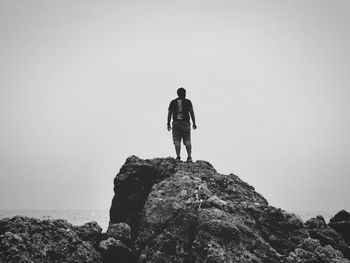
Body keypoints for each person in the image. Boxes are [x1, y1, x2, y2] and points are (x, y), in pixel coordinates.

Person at [167, 87, 197, 162]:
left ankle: (178, 157)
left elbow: (170, 113)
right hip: (185, 123)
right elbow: (191, 112)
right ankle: (189, 157)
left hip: (176, 123)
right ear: (184, 93)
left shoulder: (173, 102)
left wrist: (168, 123)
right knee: (187, 140)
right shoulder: (188, 102)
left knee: (177, 140)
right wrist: (194, 123)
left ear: (177, 94)